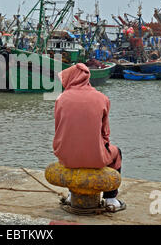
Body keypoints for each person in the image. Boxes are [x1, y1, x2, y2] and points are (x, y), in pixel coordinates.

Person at [53, 63, 126, 212]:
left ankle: (71, 194)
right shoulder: (102, 98)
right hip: (96, 158)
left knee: (70, 148)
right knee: (116, 153)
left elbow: (59, 130)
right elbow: (105, 133)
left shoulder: (60, 99)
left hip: (67, 158)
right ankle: (111, 199)